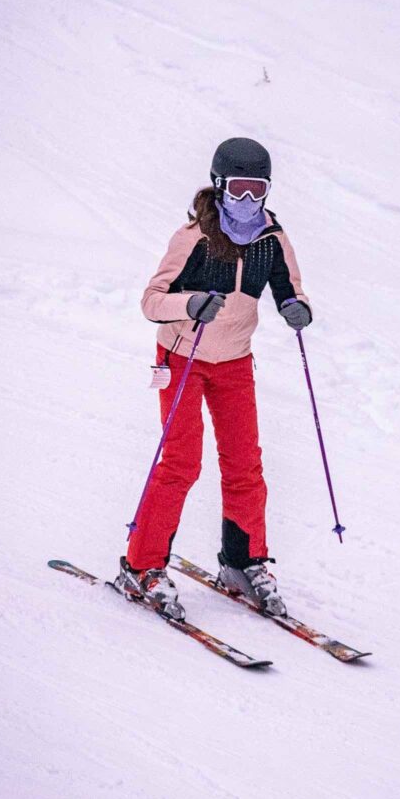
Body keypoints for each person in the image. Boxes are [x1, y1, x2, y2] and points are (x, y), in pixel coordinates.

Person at [114, 137, 311, 620]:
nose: (247, 201)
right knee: (181, 462)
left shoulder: (272, 240)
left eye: (257, 189)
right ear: (219, 185)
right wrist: (189, 303)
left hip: (236, 362)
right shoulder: (194, 237)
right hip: (183, 356)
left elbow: (291, 289)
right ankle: (142, 567)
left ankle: (243, 563)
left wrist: (295, 308)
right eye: (238, 190)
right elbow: (151, 301)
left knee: (245, 464)